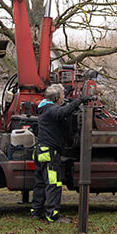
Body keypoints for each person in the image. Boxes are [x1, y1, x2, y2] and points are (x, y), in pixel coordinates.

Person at [31, 83, 87, 223]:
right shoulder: (51, 110)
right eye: (62, 95)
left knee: (41, 183)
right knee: (53, 183)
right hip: (49, 153)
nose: (63, 97)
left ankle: (36, 212)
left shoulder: (44, 107)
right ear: (56, 99)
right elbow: (62, 112)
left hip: (41, 151)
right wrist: (78, 101)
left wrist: (66, 91)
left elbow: (60, 107)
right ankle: (53, 216)